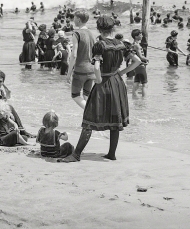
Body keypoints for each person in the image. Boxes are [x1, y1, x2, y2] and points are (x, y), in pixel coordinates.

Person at [59, 16, 141, 162]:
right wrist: (121, 73)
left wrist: (98, 79)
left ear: (99, 29)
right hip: (117, 82)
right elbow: (137, 61)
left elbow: (96, 67)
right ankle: (111, 154)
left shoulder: (100, 45)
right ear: (112, 28)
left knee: (89, 118)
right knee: (115, 119)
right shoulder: (121, 44)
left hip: (103, 82)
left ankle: (76, 154)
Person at [67, 10, 95, 109]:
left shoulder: (76, 33)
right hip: (91, 69)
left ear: (78, 19)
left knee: (75, 95)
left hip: (80, 69)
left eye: (74, 18)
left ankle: (91, 112)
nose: (73, 20)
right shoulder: (91, 33)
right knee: (87, 95)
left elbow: (74, 55)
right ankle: (90, 121)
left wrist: (69, 73)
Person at [129, 29, 148, 95]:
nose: (142, 36)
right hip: (140, 65)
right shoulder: (137, 45)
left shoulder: (133, 44)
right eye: (140, 34)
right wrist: (146, 59)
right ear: (136, 36)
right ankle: (144, 100)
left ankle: (134, 98)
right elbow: (140, 57)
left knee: (136, 82)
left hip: (135, 65)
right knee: (144, 84)